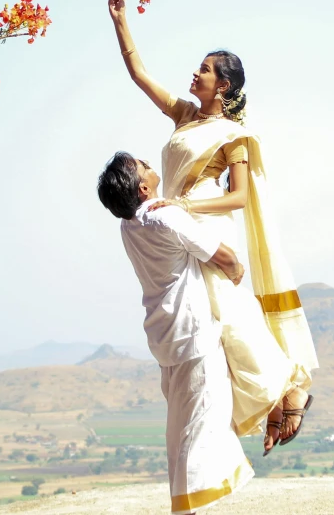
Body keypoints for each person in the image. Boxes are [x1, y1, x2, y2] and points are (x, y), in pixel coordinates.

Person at [107, 0, 318, 453]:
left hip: (201, 219)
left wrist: (184, 207)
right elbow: (139, 74)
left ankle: (288, 391)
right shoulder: (184, 116)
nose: (194, 73)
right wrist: (119, 20)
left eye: (203, 69)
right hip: (176, 221)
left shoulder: (235, 136)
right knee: (218, 326)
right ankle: (280, 398)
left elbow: (239, 197)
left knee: (230, 318)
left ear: (222, 84)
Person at [97, 151, 253, 514]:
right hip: (192, 334)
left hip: (165, 336)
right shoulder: (164, 217)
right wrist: (236, 271)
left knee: (183, 430)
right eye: (145, 166)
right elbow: (221, 255)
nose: (152, 164)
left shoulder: (129, 226)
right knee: (198, 432)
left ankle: (187, 505)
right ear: (144, 188)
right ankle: (186, 509)